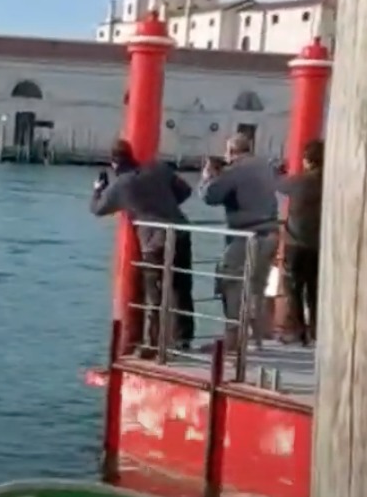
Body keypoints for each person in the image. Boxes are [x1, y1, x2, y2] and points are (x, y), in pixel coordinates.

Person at [90, 139, 195, 350]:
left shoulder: (121, 185)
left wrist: (98, 189)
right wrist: (166, 204)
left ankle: (153, 342)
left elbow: (97, 209)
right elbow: (185, 190)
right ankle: (182, 338)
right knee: (181, 288)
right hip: (181, 230)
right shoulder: (158, 169)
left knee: (155, 293)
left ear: (113, 163)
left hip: (154, 240)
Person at [198, 133, 279, 350]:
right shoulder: (265, 166)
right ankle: (259, 336)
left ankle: (233, 339)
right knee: (257, 286)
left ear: (231, 152)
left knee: (230, 282)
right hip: (270, 233)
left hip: (246, 237)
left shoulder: (235, 171)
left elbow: (210, 196)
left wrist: (208, 176)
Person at [277, 139, 323, 345]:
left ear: (307, 160)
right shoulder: (331, 182)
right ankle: (316, 330)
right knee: (315, 289)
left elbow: (278, 184)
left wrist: (278, 170)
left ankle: (297, 331)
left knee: (293, 288)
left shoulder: (298, 182)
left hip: (296, 243)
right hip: (319, 245)